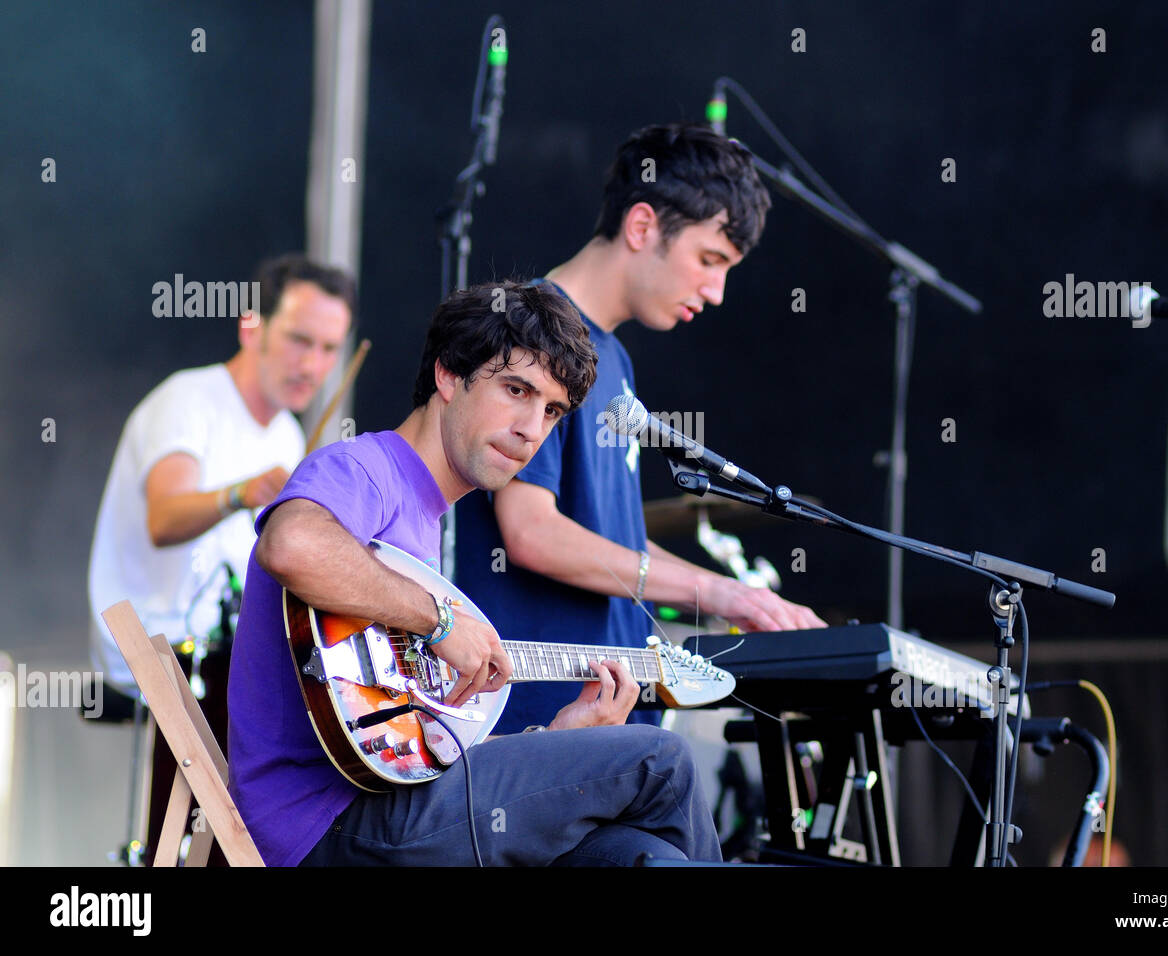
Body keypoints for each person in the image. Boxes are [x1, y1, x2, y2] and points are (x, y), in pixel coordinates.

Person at [227, 281, 721, 866]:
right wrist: (438, 620)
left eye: (552, 411)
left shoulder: (424, 524)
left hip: (390, 806)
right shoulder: (364, 467)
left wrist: (555, 743)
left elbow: (408, 748)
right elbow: (290, 543)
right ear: (448, 375)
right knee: (661, 762)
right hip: (326, 826)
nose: (532, 428)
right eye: (517, 390)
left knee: (639, 857)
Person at [453, 124, 825, 734]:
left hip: (611, 721)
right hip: (540, 726)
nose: (716, 290)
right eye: (709, 260)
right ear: (643, 226)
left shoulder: (614, 362)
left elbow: (611, 541)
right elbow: (530, 532)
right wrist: (721, 595)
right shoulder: (532, 333)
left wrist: (732, 594)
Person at [88, 254, 355, 701]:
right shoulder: (188, 399)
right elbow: (164, 520)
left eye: (328, 349)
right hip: (154, 647)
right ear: (251, 328)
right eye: (298, 340)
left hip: (219, 649)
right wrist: (240, 493)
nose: (312, 365)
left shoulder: (287, 434)